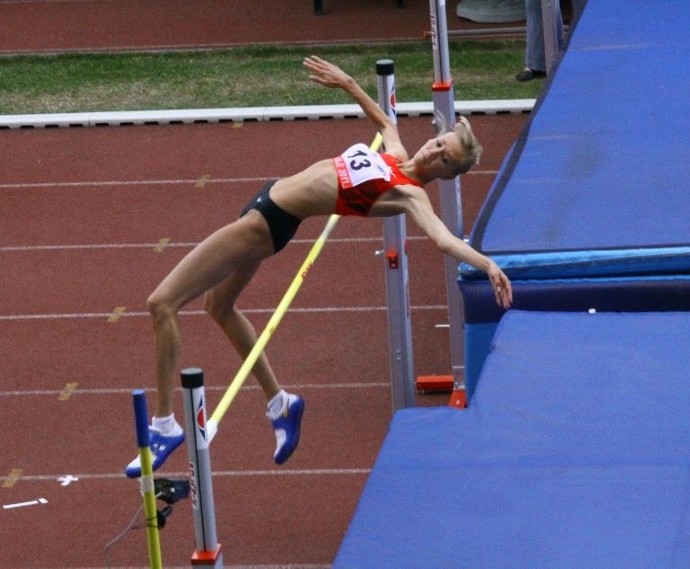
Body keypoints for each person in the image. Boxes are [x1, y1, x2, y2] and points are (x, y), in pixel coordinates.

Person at [125, 56, 513, 478]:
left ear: (448, 173)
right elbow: (384, 119)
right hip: (263, 202)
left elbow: (442, 239)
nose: (434, 150)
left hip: (267, 224)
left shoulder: (409, 195)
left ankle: (164, 424)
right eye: (439, 143)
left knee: (161, 303)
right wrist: (347, 82)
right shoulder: (396, 153)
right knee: (219, 307)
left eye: (444, 157)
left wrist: (487, 263)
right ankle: (281, 404)